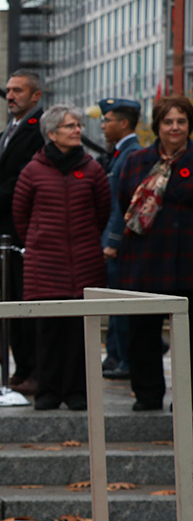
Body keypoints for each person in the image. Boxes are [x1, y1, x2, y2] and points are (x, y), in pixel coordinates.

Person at [12, 104, 109, 410]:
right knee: (49, 332)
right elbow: (21, 215)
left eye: (78, 125)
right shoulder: (33, 170)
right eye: (70, 126)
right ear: (52, 134)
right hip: (45, 266)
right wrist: (42, 242)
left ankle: (77, 392)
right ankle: (49, 392)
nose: (77, 130)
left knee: (80, 334)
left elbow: (102, 212)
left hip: (84, 264)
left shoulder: (92, 169)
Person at [117, 95, 193, 411]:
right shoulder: (137, 161)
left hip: (188, 261)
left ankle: (186, 399)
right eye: (168, 121)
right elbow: (123, 202)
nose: (175, 128)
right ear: (157, 125)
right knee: (142, 335)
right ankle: (147, 395)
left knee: (187, 339)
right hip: (145, 260)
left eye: (181, 121)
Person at [0, 70, 46, 396]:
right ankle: (23, 367)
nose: (10, 95)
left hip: (21, 232)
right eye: (8, 90)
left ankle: (33, 370)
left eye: (18, 90)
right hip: (4, 231)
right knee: (10, 302)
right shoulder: (8, 131)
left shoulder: (37, 130)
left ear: (35, 96)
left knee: (25, 305)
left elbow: (25, 180)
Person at [98, 97, 143, 381]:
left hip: (122, 245)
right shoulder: (120, 153)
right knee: (114, 302)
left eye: (107, 120)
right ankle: (116, 354)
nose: (103, 126)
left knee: (122, 304)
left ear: (123, 124)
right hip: (115, 242)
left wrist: (112, 240)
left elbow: (123, 203)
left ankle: (126, 358)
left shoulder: (131, 154)